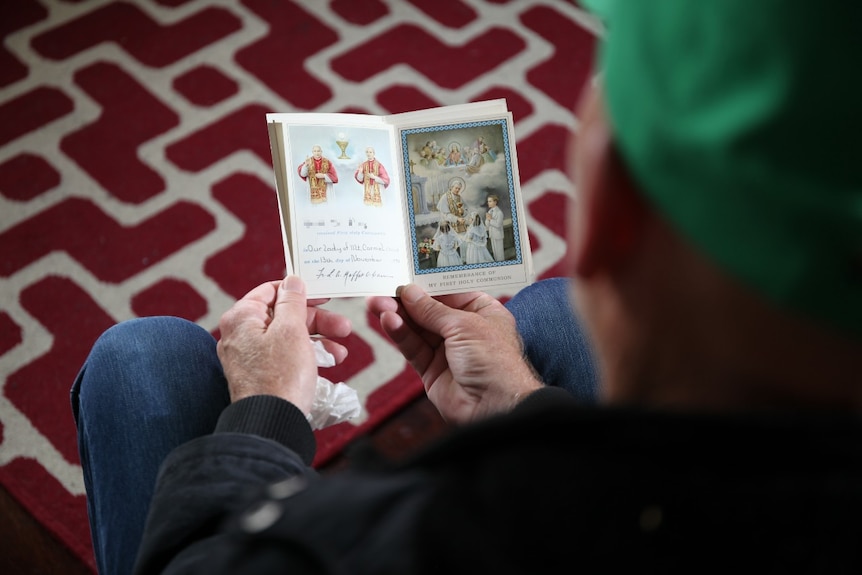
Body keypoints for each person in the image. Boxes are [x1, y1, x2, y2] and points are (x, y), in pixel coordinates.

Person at [73, 1, 862, 573]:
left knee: (145, 357)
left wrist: (265, 413)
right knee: (544, 314)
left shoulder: (431, 537)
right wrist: (522, 400)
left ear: (607, 220)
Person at [485, 194, 505, 261]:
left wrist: (490, 219)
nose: (488, 203)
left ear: (495, 202)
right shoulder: (489, 211)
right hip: (492, 235)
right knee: (495, 254)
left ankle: (502, 265)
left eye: (490, 201)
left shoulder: (499, 213)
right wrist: (487, 220)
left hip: (498, 235)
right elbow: (487, 225)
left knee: (500, 254)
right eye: (488, 201)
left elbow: (498, 225)